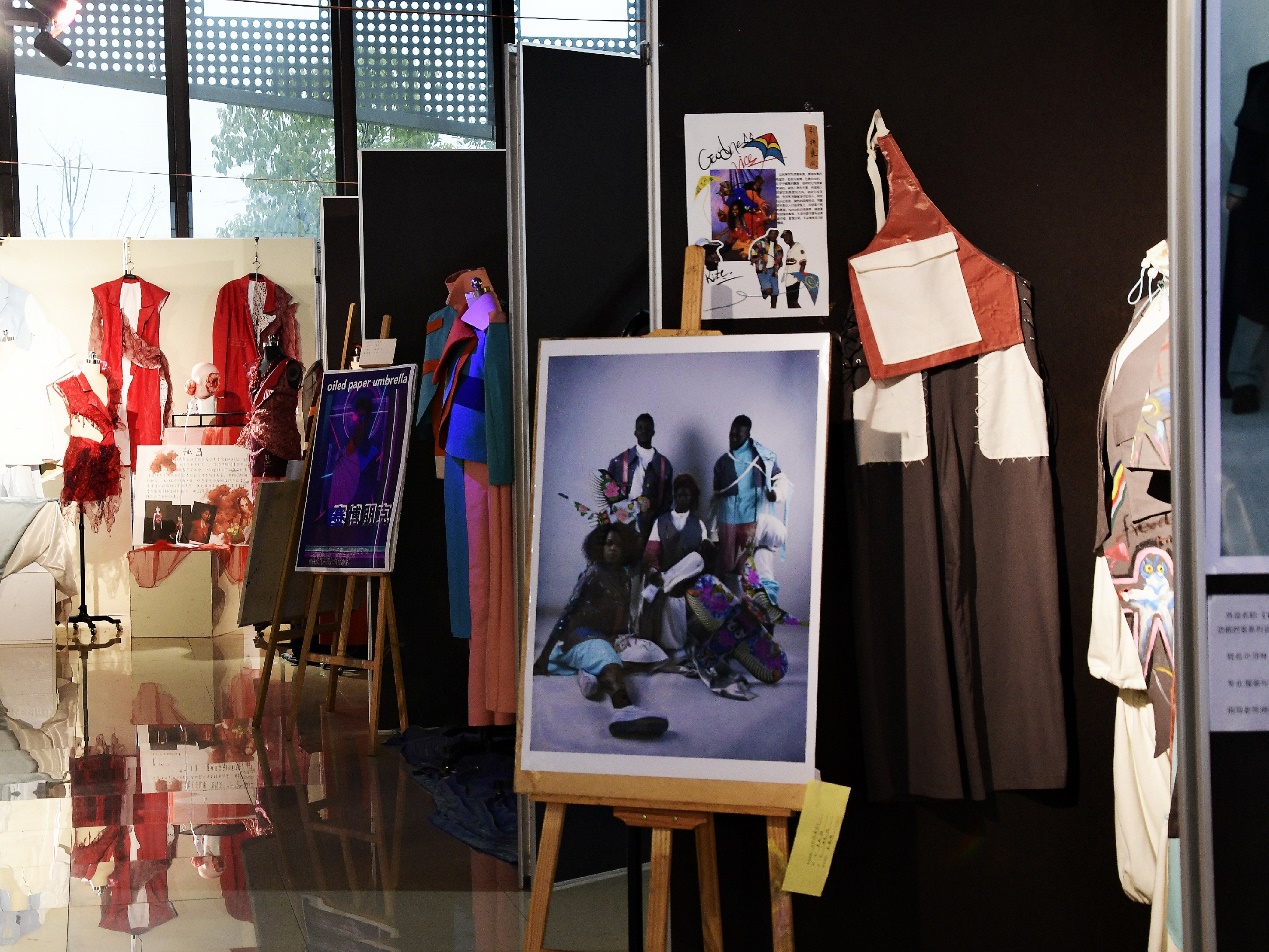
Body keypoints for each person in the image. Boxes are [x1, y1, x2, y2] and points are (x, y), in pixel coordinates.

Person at [532, 522, 669, 739]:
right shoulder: (592, 573)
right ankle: (624, 709)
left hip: (608, 638)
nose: (613, 549)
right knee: (605, 654)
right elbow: (567, 613)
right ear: (599, 547)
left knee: (653, 655)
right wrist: (544, 656)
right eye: (608, 544)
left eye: (619, 545)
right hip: (582, 635)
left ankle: (589, 672)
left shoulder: (624, 576)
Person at [642, 474, 712, 661]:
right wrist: (654, 571)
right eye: (679, 495)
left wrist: (708, 547)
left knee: (696, 558)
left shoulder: (699, 524)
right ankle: (665, 581)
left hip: (689, 579)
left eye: (686, 496)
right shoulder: (661, 521)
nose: (682, 499)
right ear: (674, 495)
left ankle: (665, 580)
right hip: (669, 583)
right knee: (672, 599)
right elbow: (651, 553)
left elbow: (703, 558)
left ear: (692, 498)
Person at [712, 415, 785, 591]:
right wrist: (713, 532)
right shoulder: (722, 463)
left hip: (751, 519)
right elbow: (716, 500)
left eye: (738, 436)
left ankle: (751, 602)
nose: (733, 439)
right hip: (727, 520)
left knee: (748, 565)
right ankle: (725, 602)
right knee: (726, 564)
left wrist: (776, 494)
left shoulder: (762, 458)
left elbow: (780, 479)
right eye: (731, 435)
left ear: (748, 435)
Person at [606, 413, 673, 538]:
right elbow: (609, 495)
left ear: (653, 432)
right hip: (622, 524)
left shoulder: (664, 465)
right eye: (640, 428)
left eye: (647, 428)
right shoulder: (619, 462)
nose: (644, 431)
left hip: (649, 526)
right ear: (635, 432)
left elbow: (666, 502)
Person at [748, 229, 782, 309]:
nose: (773, 235)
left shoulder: (778, 247)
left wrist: (778, 265)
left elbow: (779, 260)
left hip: (773, 271)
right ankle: (764, 292)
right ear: (768, 233)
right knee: (768, 290)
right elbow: (753, 255)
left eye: (775, 234)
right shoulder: (760, 243)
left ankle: (773, 309)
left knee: (775, 293)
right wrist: (758, 259)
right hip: (762, 271)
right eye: (772, 233)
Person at [780, 230, 808, 309]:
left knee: (793, 302)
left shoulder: (798, 247)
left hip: (795, 279)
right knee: (790, 303)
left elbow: (803, 262)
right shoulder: (789, 250)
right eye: (784, 238)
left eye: (787, 236)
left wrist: (800, 276)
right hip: (788, 280)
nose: (786, 239)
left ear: (791, 236)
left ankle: (803, 314)